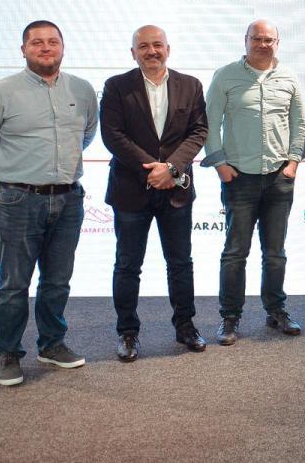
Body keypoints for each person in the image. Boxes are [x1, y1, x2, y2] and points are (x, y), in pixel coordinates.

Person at [0, 20, 98, 386]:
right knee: (14, 283)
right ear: (23, 49)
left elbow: (86, 135)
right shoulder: (0, 92)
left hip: (68, 199)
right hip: (18, 199)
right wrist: (14, 166)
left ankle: (52, 345)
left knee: (57, 280)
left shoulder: (83, 90)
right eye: (36, 42)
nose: (45, 47)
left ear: (63, 47)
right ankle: (9, 353)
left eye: (53, 41)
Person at [100, 25, 208, 361]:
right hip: (131, 189)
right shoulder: (116, 86)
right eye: (144, 46)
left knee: (180, 263)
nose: (151, 51)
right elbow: (112, 135)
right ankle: (127, 332)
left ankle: (185, 326)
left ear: (168, 49)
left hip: (176, 189)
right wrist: (152, 169)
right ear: (133, 53)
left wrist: (171, 168)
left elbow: (199, 131)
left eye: (157, 45)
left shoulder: (190, 85)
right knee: (128, 265)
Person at [203, 20, 305, 343]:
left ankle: (276, 310)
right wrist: (220, 164)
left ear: (277, 42)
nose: (263, 44)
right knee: (235, 252)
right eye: (257, 38)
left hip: (278, 178)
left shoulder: (289, 77)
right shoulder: (225, 76)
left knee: (275, 253)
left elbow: (299, 124)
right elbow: (209, 123)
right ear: (246, 40)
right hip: (239, 178)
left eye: (268, 39)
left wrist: (293, 163)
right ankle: (230, 317)